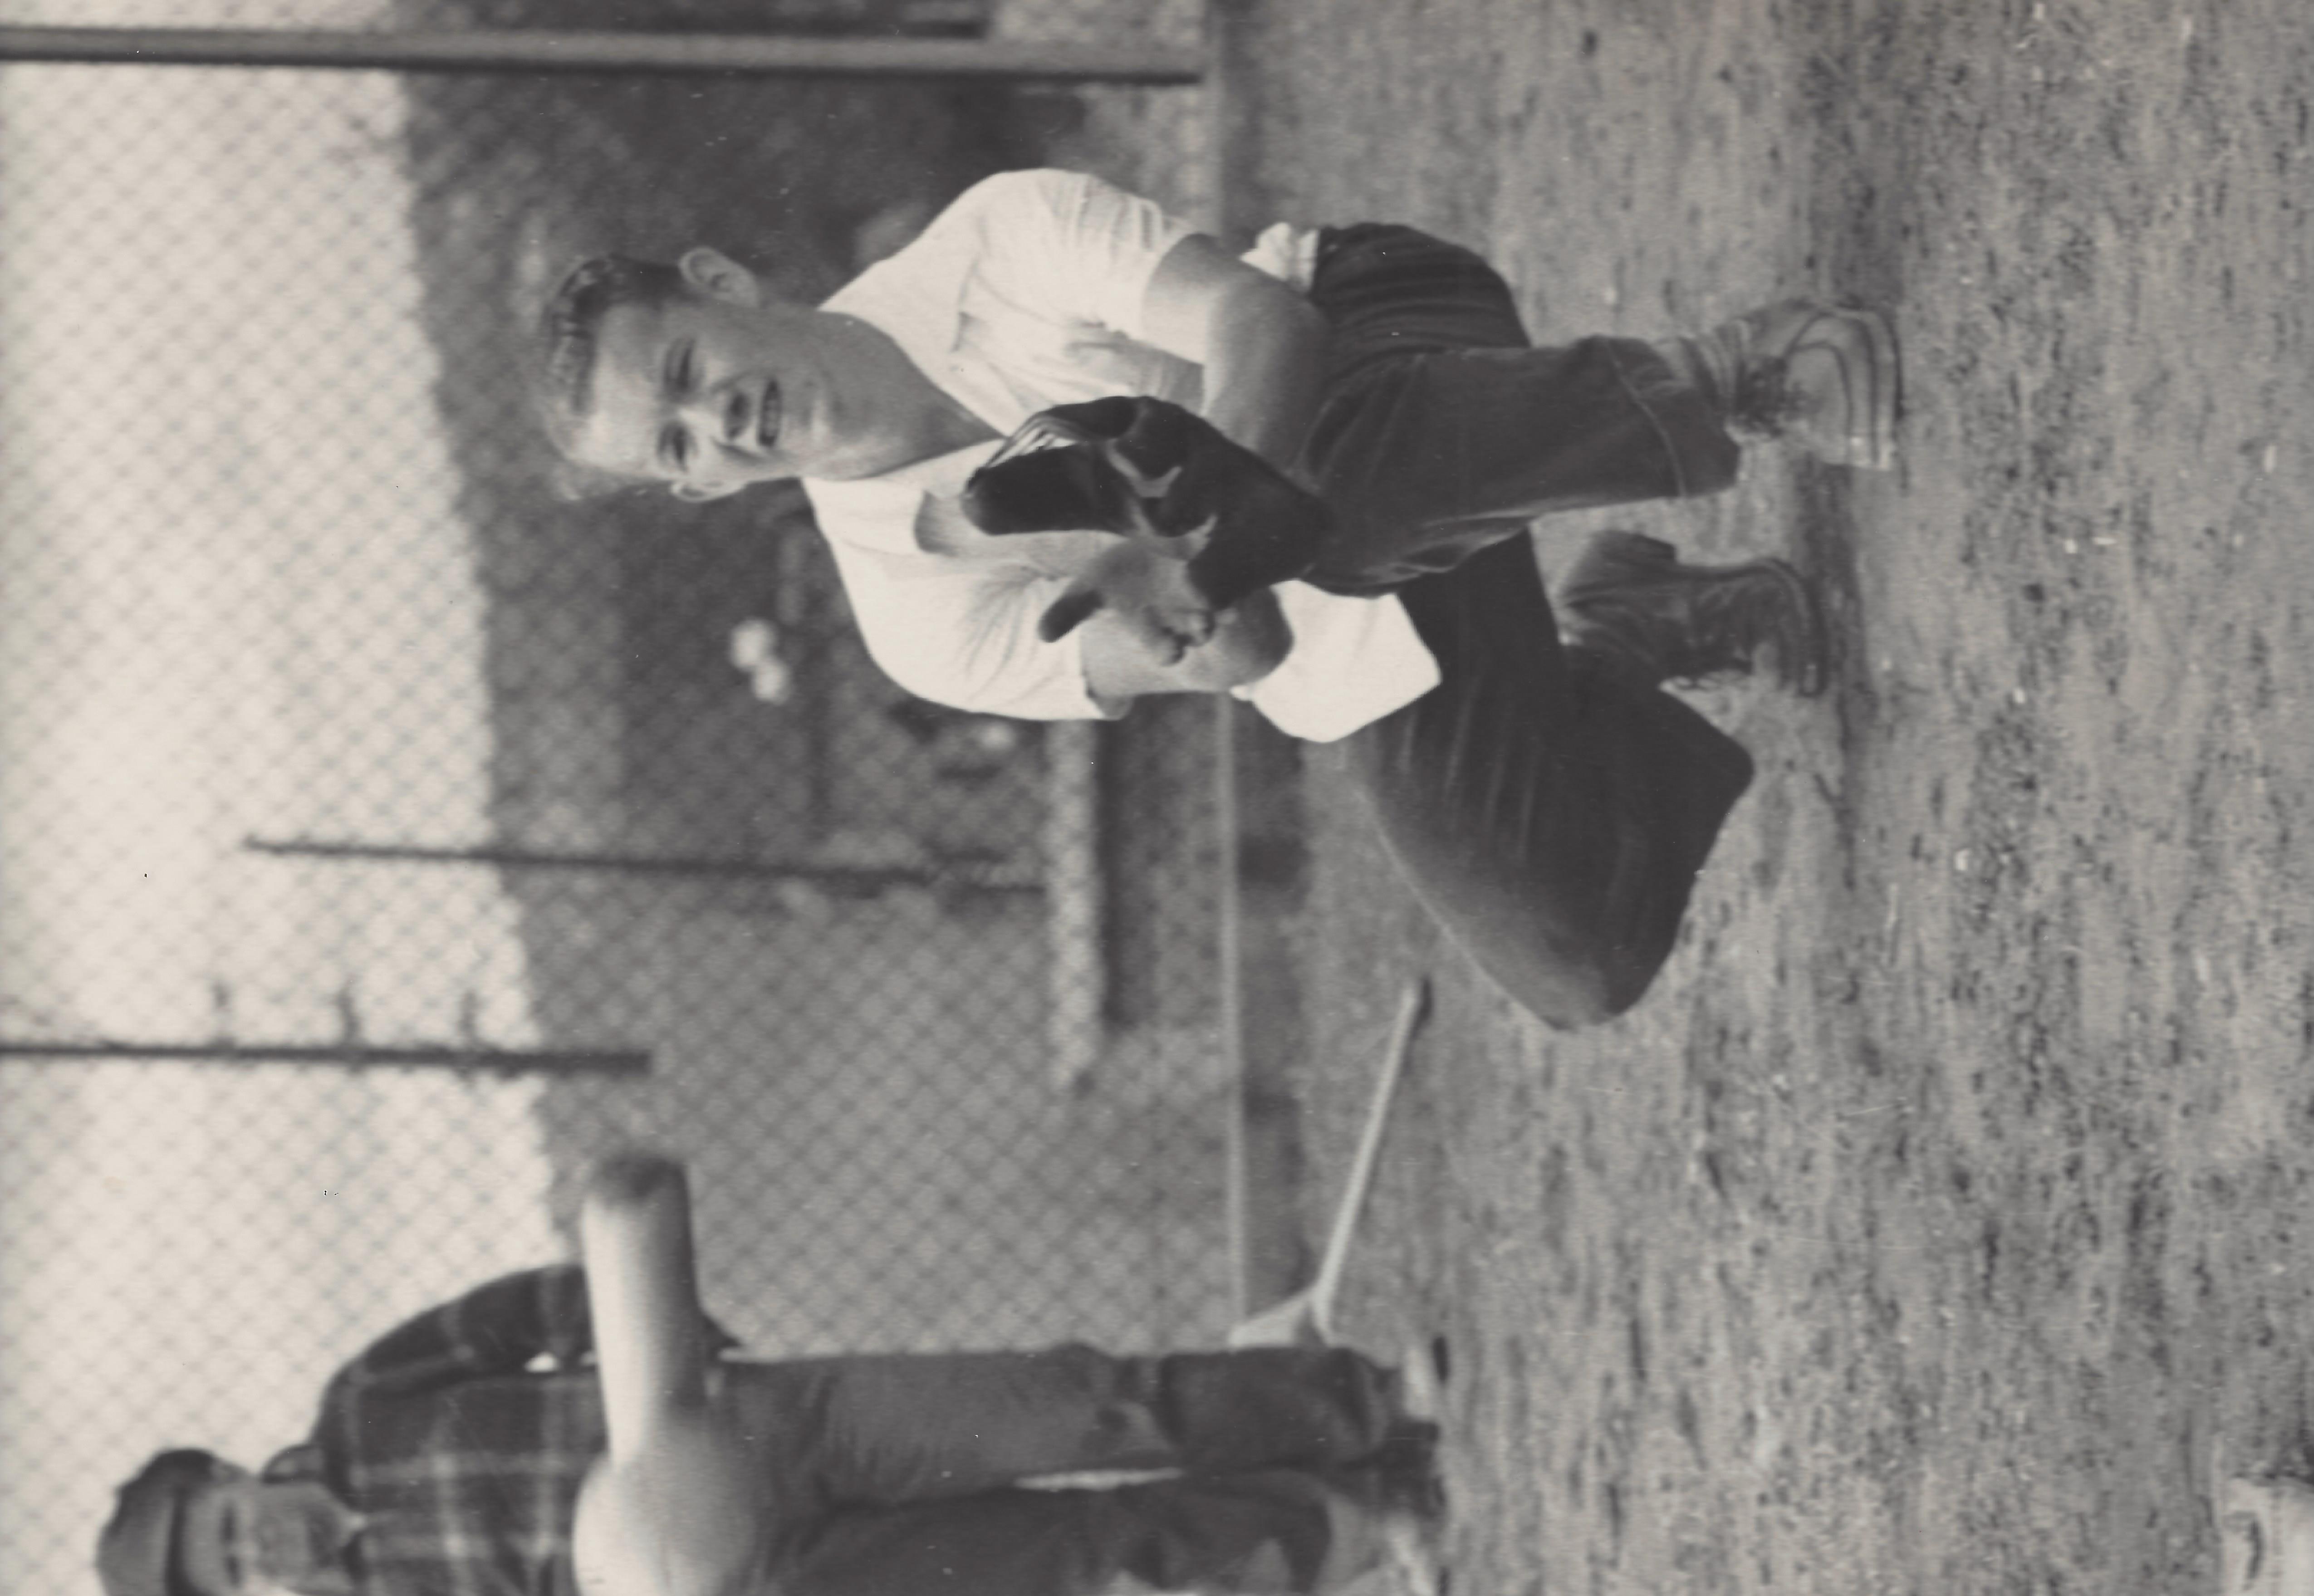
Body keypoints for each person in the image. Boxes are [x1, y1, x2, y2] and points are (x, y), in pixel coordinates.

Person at [536, 168, 1900, 1030]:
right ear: (692, 489)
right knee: (1573, 956)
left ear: (719, 286)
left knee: (1321, 497)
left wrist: (1205, 523)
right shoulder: (913, 615)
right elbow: (1236, 653)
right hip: (1342, 601)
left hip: (1373, 332)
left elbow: (1264, 327)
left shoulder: (990, 238)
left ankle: (1737, 373)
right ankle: (1624, 628)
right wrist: (1185, 589)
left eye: (686, 371)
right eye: (675, 445)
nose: (716, 421)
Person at [94, 1165, 1446, 1596]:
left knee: (1084, 1406)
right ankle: (1366, 1524)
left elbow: (536, 1308)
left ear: (226, 1473)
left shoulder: (365, 1400)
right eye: (233, 1571)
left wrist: (683, 1360)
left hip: (768, 1425)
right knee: (1091, 1551)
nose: (254, 1546)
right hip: (775, 1586)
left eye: (226, 1521)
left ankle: (1371, 1400)